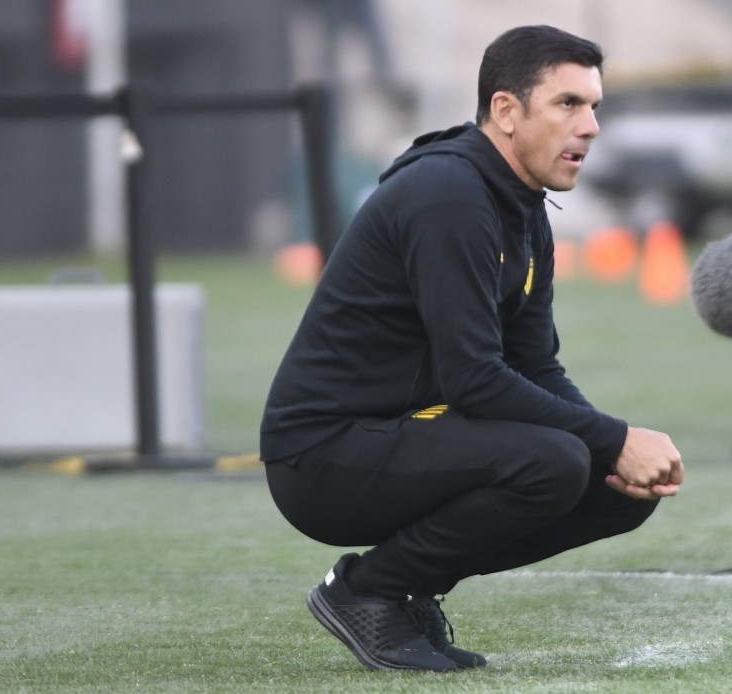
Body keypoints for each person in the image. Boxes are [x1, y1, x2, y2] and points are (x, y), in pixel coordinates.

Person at [260, 25, 684, 673]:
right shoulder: (448, 195)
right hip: (323, 455)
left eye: (595, 106)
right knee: (556, 462)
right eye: (568, 104)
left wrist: (612, 450)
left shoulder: (523, 205)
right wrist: (614, 435)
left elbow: (535, 366)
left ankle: (403, 587)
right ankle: (368, 590)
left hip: (399, 432)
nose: (591, 125)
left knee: (612, 487)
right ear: (506, 112)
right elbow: (474, 379)